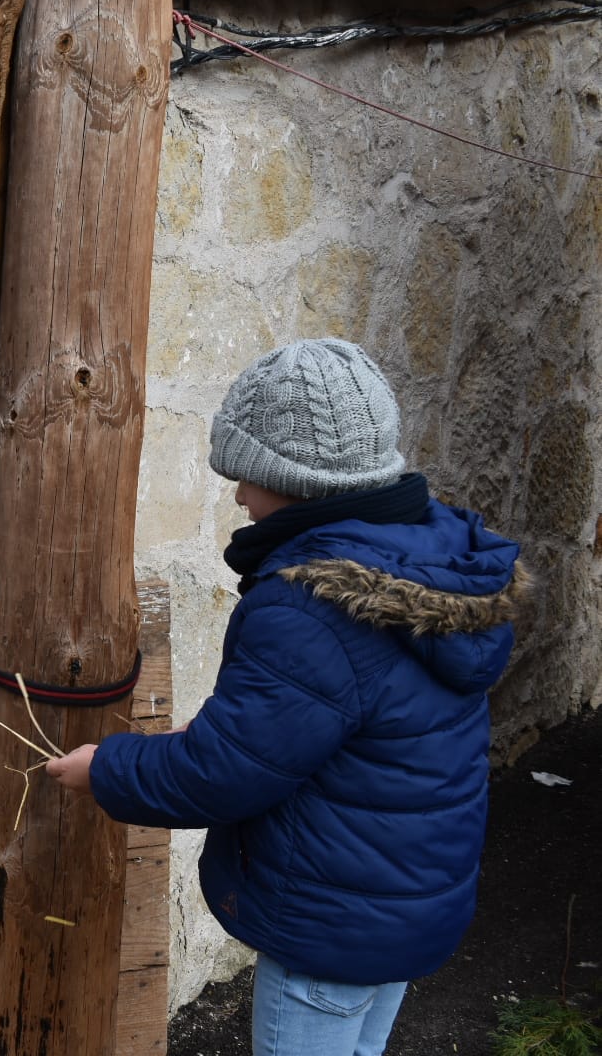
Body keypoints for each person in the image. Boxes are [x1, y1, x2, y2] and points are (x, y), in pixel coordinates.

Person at [48, 338, 526, 1056]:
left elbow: (221, 774)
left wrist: (105, 769)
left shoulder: (309, 607)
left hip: (330, 926)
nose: (238, 495)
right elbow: (310, 732)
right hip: (401, 909)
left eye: (247, 475)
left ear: (296, 481)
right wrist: (213, 739)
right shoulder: (428, 564)